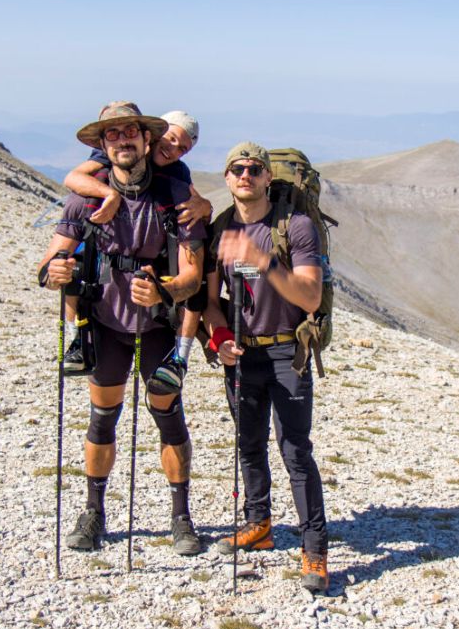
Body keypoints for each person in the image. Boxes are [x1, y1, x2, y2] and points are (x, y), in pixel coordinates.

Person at [40, 101, 207, 556]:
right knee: (103, 419)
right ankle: (93, 512)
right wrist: (55, 270)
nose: (122, 140)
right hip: (105, 324)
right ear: (102, 145)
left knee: (168, 418)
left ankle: (181, 518)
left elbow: (193, 274)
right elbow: (50, 259)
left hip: (155, 326)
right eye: (111, 135)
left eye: (130, 131)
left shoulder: (175, 194)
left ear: (147, 139)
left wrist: (165, 293)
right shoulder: (85, 197)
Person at [204, 142, 330, 593]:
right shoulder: (219, 229)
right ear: (226, 176)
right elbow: (210, 304)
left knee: (295, 450)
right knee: (248, 443)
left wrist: (263, 262)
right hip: (242, 353)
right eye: (236, 168)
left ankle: (314, 549)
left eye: (254, 169)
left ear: (266, 177)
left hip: (285, 351)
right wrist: (219, 339)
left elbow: (310, 297)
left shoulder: (294, 227)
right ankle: (259, 524)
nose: (245, 175)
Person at [60, 111, 211, 396]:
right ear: (154, 136)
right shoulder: (111, 156)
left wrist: (206, 208)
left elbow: (197, 204)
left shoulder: (177, 174)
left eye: (183, 149)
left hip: (154, 283)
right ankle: (77, 339)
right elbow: (73, 177)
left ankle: (180, 358)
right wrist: (110, 195)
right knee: (75, 267)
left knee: (201, 275)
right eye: (172, 139)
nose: (174, 150)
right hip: (104, 258)